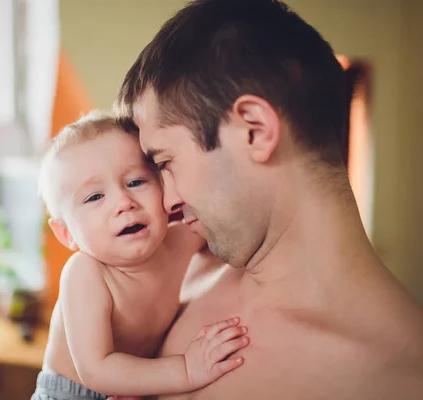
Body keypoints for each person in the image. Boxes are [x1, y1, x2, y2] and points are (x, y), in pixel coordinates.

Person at [113, 0, 423, 399]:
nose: (166, 201)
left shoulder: (398, 379)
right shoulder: (178, 282)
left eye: (166, 161)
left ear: (254, 131)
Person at [32, 111, 250, 400]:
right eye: (95, 197)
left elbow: (227, 224)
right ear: (66, 234)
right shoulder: (86, 273)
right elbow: (96, 370)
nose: (124, 202)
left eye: (136, 182)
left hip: (134, 386)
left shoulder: (179, 241)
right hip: (74, 395)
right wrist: (184, 370)